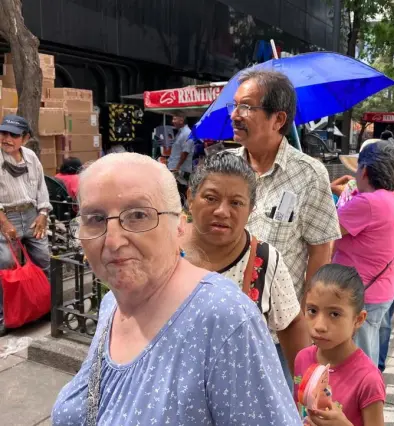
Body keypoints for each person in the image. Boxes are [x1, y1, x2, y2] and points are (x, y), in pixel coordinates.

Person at [52, 153, 301, 425]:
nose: (113, 240)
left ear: (178, 225)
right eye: (96, 218)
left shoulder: (227, 319)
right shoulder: (113, 303)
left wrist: (303, 385)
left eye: (138, 215)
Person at [230, 69, 340, 382]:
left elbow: (321, 251)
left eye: (247, 107)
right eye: (234, 106)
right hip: (224, 323)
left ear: (279, 120)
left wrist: (307, 315)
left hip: (278, 330)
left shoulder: (310, 174)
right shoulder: (224, 167)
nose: (236, 115)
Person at [181, 151, 311, 387]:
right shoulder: (163, 252)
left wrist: (304, 393)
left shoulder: (265, 260)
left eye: (236, 203)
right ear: (190, 197)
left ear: (250, 209)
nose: (222, 211)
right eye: (210, 198)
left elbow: (291, 323)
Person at [337, 140, 394, 371]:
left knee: (358, 358)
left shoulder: (367, 202)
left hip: (362, 291)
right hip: (382, 287)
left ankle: (364, 401)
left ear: (364, 170)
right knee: (370, 347)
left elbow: (326, 230)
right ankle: (371, 395)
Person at [294, 264, 385, 426]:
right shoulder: (302, 358)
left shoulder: (368, 380)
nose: (320, 325)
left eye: (334, 314)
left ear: (358, 319)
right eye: (312, 311)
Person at [0, 115, 52, 337]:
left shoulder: (30, 157)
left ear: (26, 138)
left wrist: (43, 213)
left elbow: (41, 186)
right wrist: (4, 222)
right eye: (3, 133)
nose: (6, 138)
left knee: (43, 260)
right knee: (5, 265)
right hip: (5, 215)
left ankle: (45, 306)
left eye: (13, 135)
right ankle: (5, 316)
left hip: (32, 216)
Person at [167, 113, 193, 199]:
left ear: (181, 120)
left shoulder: (187, 133)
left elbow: (185, 152)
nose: (172, 121)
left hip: (181, 169)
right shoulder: (180, 132)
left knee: (181, 191)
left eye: (175, 119)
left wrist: (177, 167)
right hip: (175, 168)